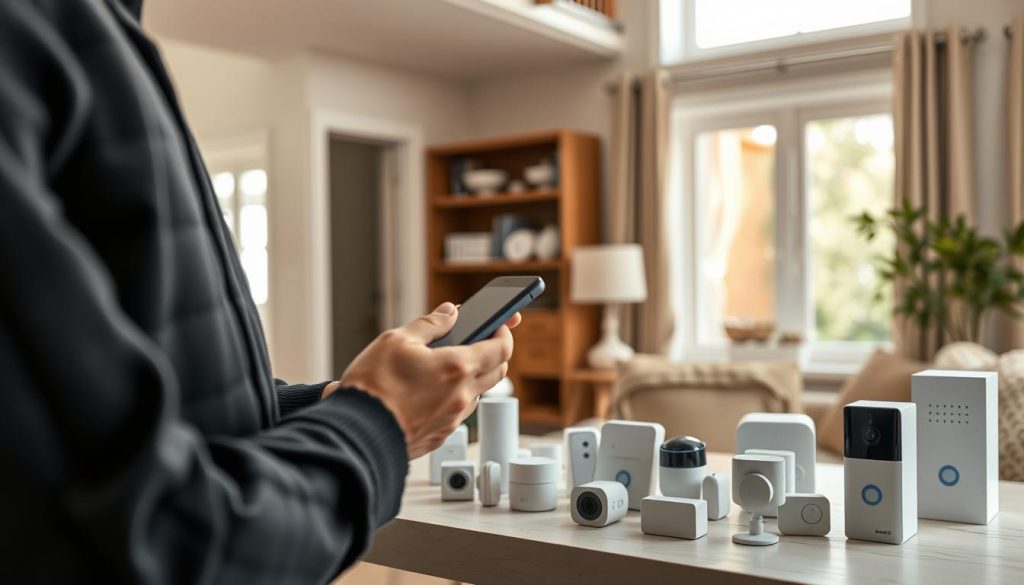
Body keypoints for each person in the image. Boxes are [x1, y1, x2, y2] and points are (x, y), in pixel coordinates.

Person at [0, 1, 518, 583]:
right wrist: (380, 422)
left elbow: (158, 399)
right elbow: (162, 542)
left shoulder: (104, 36)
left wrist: (329, 400)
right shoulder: (32, 31)